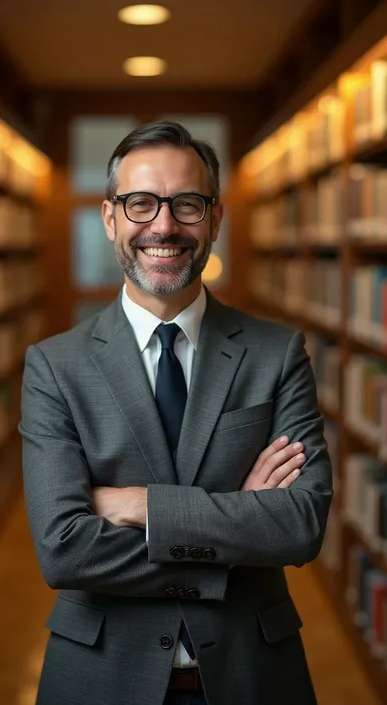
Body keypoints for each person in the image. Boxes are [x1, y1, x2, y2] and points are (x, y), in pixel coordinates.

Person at [19, 120, 333, 705]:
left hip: (254, 677)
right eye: (141, 204)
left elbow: (299, 525)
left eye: (187, 204)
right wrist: (238, 527)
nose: (164, 225)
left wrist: (135, 504)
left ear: (215, 218)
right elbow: (62, 548)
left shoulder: (277, 353)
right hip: (99, 678)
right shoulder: (53, 366)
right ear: (110, 218)